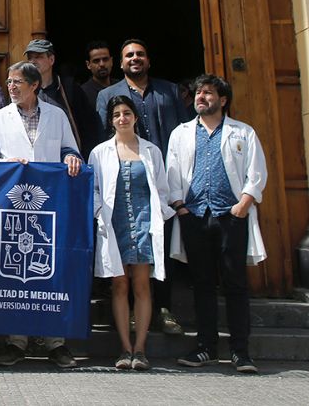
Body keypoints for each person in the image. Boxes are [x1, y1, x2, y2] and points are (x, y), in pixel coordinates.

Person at [0, 61, 81, 369]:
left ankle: (56, 343)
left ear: (34, 85)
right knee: (14, 271)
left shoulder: (56, 115)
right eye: (9, 82)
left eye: (17, 82)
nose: (11, 86)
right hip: (12, 203)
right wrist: (7, 163)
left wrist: (72, 158)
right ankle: (16, 341)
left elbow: (69, 149)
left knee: (49, 269)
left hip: (49, 205)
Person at [168, 75, 266, 374]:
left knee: (235, 284)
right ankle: (206, 347)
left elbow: (256, 172)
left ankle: (240, 351)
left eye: (208, 93)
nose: (201, 97)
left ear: (222, 100)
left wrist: (243, 205)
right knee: (202, 284)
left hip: (230, 217)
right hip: (195, 217)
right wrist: (180, 207)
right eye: (198, 92)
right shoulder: (181, 133)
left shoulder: (243, 132)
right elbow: (172, 173)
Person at [95, 39, 190, 335]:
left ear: (148, 60)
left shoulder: (169, 91)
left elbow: (183, 137)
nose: (135, 59)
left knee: (157, 252)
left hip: (160, 179)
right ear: (120, 63)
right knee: (121, 264)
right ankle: (124, 319)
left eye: (140, 54)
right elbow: (102, 136)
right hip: (121, 177)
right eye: (129, 55)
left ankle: (163, 309)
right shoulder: (108, 95)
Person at [89, 96, 174, 371]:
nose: (122, 118)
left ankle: (141, 349)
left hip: (144, 225)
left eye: (127, 113)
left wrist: (156, 216)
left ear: (135, 117)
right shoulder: (100, 152)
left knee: (141, 285)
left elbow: (162, 189)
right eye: (116, 114)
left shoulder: (151, 151)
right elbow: (94, 190)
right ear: (111, 120)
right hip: (114, 226)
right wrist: (99, 211)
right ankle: (124, 349)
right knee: (119, 285)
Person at [25, 39, 101, 156]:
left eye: (38, 57)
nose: (33, 61)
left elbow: (88, 126)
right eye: (30, 58)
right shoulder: (24, 91)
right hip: (36, 159)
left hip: (69, 161)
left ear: (51, 60)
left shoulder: (69, 88)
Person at [81, 41, 114, 108]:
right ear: (88, 65)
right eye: (96, 61)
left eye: (105, 59)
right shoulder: (82, 93)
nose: (102, 64)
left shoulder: (122, 86)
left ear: (111, 61)